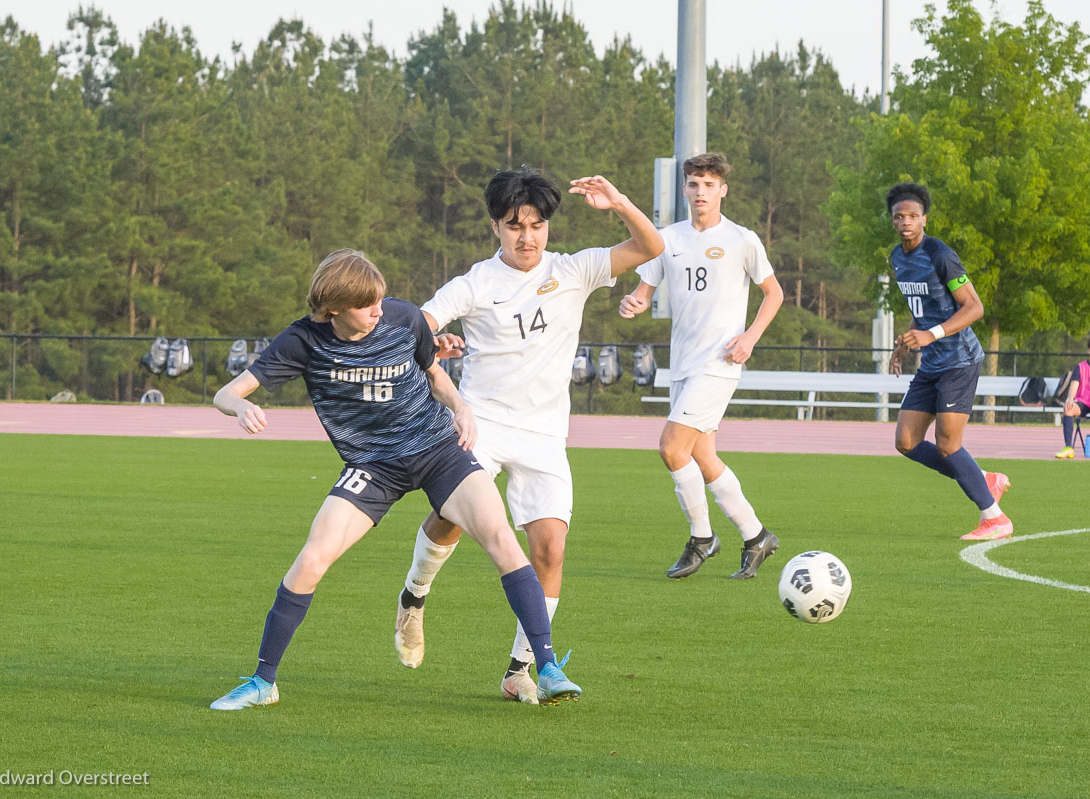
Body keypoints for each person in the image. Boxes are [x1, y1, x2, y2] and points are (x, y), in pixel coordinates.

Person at [208, 249, 580, 710]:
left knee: (502, 540)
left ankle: (544, 667)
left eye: (380, 300)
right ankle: (264, 681)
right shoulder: (303, 340)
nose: (380, 310)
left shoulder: (404, 318)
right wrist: (242, 406)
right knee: (312, 558)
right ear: (333, 309)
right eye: (367, 305)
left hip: (438, 451)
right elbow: (227, 393)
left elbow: (433, 374)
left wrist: (461, 408)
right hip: (372, 466)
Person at [393, 169, 663, 704]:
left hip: (544, 435)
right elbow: (415, 323)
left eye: (537, 225)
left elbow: (651, 245)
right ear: (496, 226)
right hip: (480, 424)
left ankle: (520, 670)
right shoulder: (475, 283)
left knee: (550, 549)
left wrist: (619, 203)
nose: (528, 237)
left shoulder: (576, 270)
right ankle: (414, 596)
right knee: (452, 520)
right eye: (516, 225)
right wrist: (433, 343)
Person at [618, 152, 785, 579]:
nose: (700, 192)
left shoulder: (743, 239)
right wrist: (635, 302)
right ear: (685, 189)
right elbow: (645, 288)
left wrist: (749, 337)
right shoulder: (666, 238)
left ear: (723, 190)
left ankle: (702, 538)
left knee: (671, 449)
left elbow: (774, 294)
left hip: (719, 362)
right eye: (693, 184)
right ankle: (756, 535)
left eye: (709, 184)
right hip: (683, 364)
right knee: (704, 457)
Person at [883, 182, 1013, 541]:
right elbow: (920, 309)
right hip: (930, 363)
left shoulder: (940, 253)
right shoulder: (896, 258)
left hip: (959, 360)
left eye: (912, 215)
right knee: (906, 442)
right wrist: (906, 343)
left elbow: (974, 307)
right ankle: (984, 479)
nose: (906, 221)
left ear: (924, 218)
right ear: (893, 221)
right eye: (899, 216)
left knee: (947, 444)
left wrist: (931, 336)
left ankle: (995, 518)